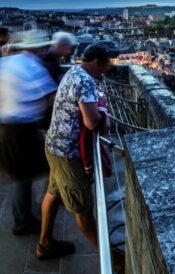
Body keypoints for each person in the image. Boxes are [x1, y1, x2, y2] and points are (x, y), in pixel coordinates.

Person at [36, 44, 117, 259]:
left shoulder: (73, 71)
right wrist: (104, 114)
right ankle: (113, 261)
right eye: (107, 64)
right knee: (84, 213)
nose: (107, 70)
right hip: (69, 154)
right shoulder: (87, 81)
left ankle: (44, 244)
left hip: (53, 145)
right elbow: (92, 123)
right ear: (98, 62)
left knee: (53, 194)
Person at [0, 30, 58, 236]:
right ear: (36, 48)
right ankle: (27, 221)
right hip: (22, 130)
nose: (45, 50)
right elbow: (51, 98)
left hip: (7, 127)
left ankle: (24, 217)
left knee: (21, 176)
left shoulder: (8, 62)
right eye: (43, 47)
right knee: (36, 172)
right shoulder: (32, 66)